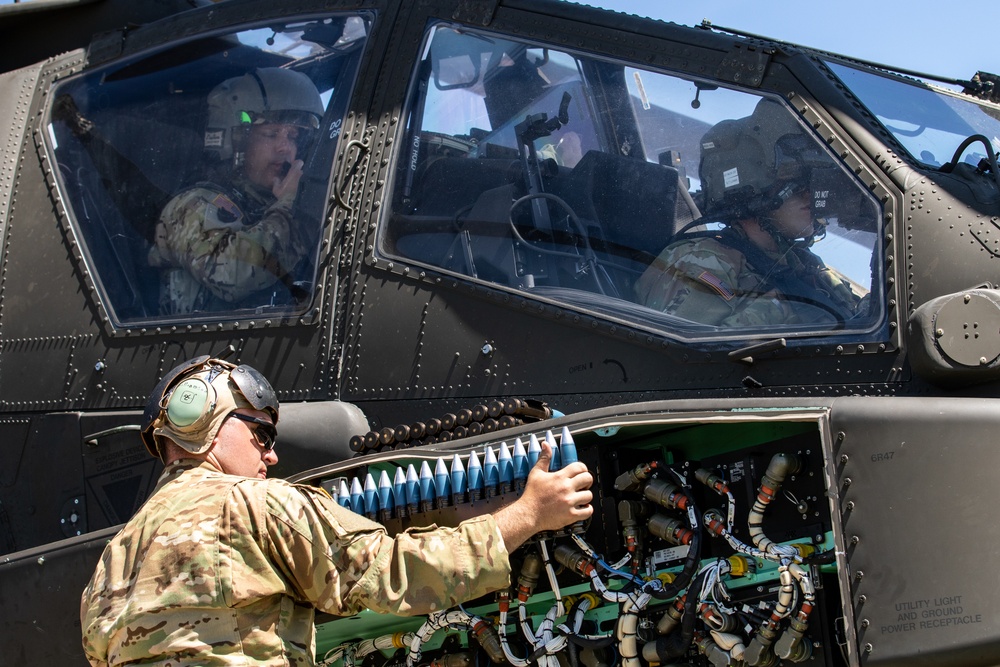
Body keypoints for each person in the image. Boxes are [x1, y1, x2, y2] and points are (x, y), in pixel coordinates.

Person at [80, 356, 594, 666]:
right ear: (211, 424)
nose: (272, 455)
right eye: (261, 433)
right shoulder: (257, 506)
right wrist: (529, 513)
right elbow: (397, 574)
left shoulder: (113, 561)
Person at [634, 100, 865, 328]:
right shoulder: (705, 260)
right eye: (797, 186)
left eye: (811, 187)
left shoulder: (802, 263)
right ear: (752, 191)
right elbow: (684, 352)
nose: (809, 196)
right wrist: (779, 309)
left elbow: (857, 322)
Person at [148, 68, 325, 315]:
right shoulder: (192, 204)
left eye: (293, 136)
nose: (286, 147)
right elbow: (233, 274)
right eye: (271, 134)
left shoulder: (273, 202)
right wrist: (288, 205)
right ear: (238, 140)